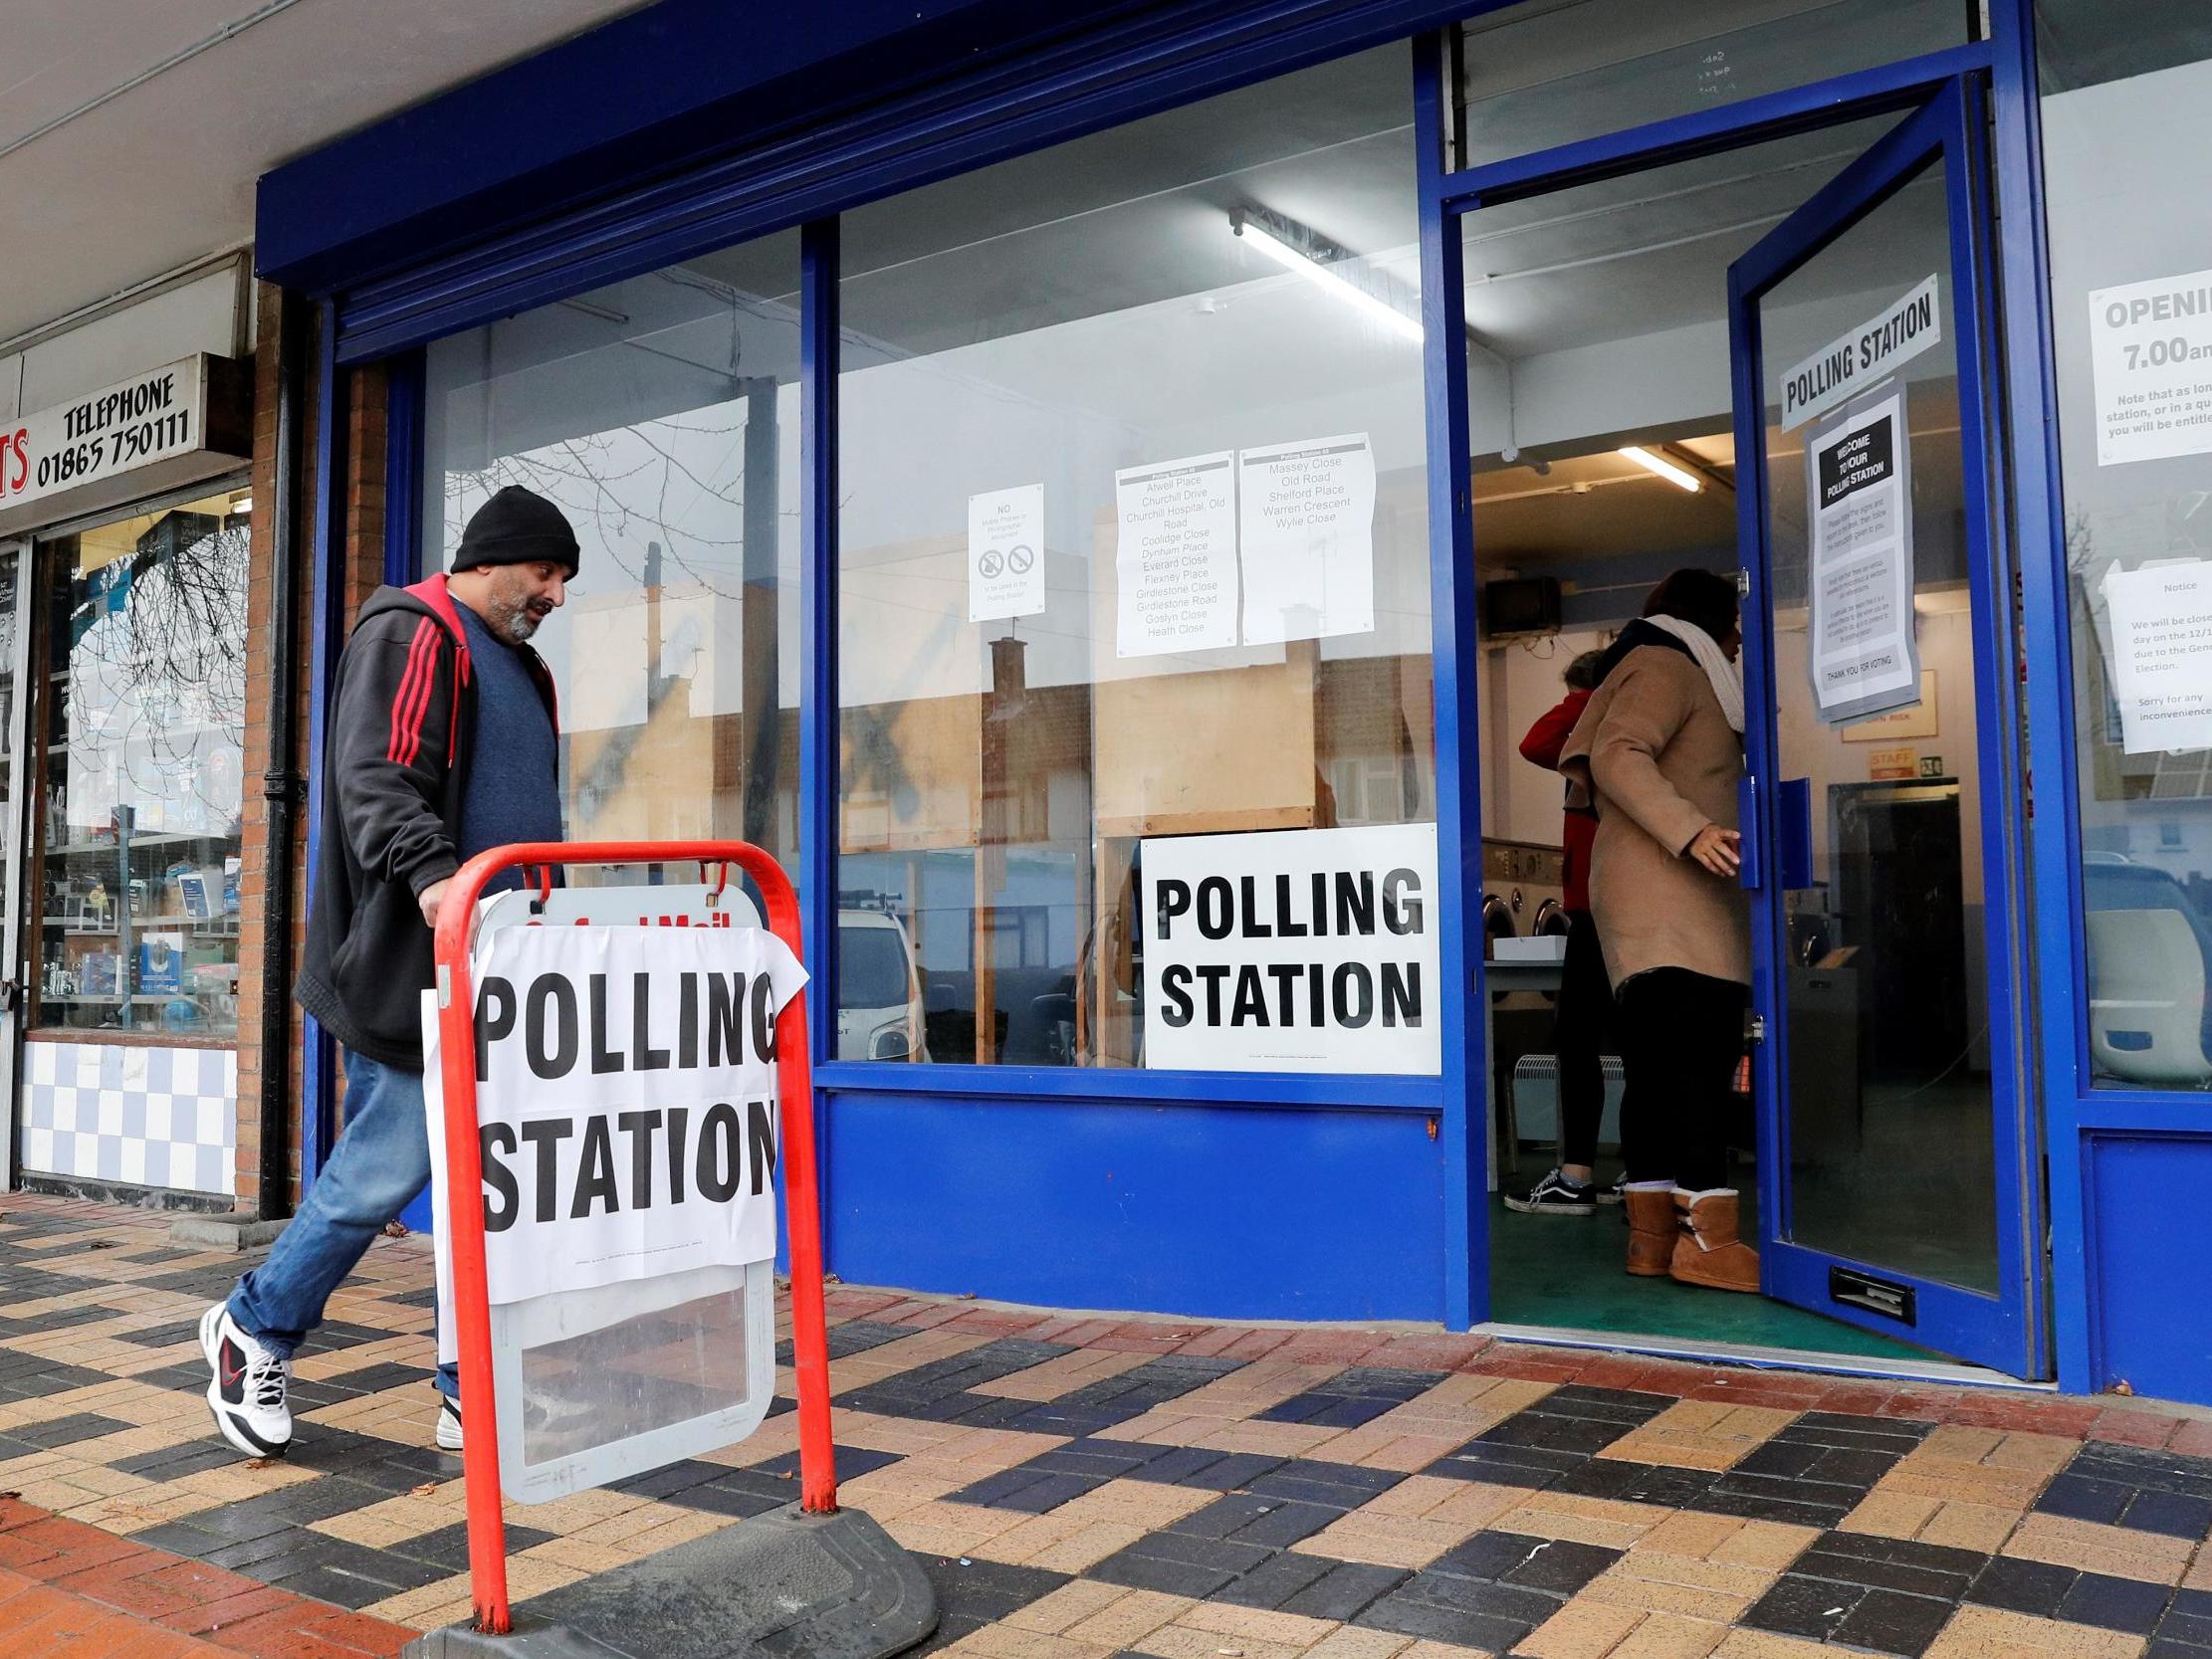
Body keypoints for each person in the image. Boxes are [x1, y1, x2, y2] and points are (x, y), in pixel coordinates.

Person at [201, 485, 576, 1457]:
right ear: (493, 556)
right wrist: (437, 882)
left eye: (564, 579)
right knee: (382, 1172)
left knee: (481, 1189)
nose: (556, 594)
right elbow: (374, 776)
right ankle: (252, 1326)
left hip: (503, 973)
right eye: (546, 571)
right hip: (417, 961)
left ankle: (468, 1388)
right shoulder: (415, 632)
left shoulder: (524, 671)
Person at [1560, 568, 1757, 1293]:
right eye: (1734, 626)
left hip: (1649, 898)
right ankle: (1708, 1238)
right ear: (1709, 618)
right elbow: (1616, 753)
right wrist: (1693, 828)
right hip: (1673, 898)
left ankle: (1652, 1239)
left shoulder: (1648, 659)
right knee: (1700, 1064)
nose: (1739, 642)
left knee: (1654, 1071)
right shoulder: (1671, 663)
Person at [1505, 650, 1620, 1216]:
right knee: (1625, 1042)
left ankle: (1576, 1177)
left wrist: (1588, 698)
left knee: (1576, 1039)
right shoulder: (1612, 742)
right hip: (1604, 906)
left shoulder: (1600, 734)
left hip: (1602, 909)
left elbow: (1533, 742)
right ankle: (1644, 1172)